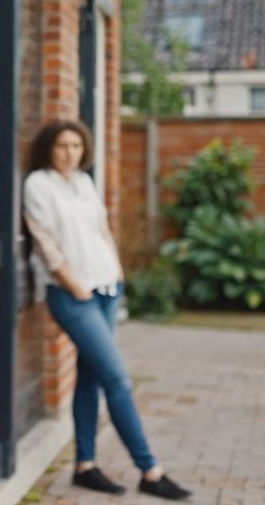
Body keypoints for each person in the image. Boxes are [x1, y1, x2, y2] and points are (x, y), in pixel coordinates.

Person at [22, 120, 191, 501]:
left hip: (106, 289)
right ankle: (150, 470)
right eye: (62, 146)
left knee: (91, 375)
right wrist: (74, 286)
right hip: (73, 295)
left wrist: (116, 273)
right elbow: (46, 243)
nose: (70, 153)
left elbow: (102, 230)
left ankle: (85, 464)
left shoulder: (84, 182)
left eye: (76, 146)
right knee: (118, 379)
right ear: (49, 148)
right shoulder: (38, 184)